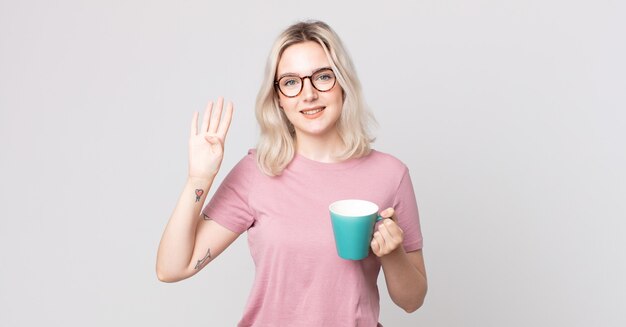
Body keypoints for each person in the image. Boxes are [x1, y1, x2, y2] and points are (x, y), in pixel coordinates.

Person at [156, 20, 427, 326]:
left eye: (322, 77)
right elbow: (171, 268)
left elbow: (412, 301)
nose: (308, 94)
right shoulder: (256, 172)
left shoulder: (390, 174)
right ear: (279, 99)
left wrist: (392, 254)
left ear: (343, 84)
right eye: (290, 82)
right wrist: (199, 178)